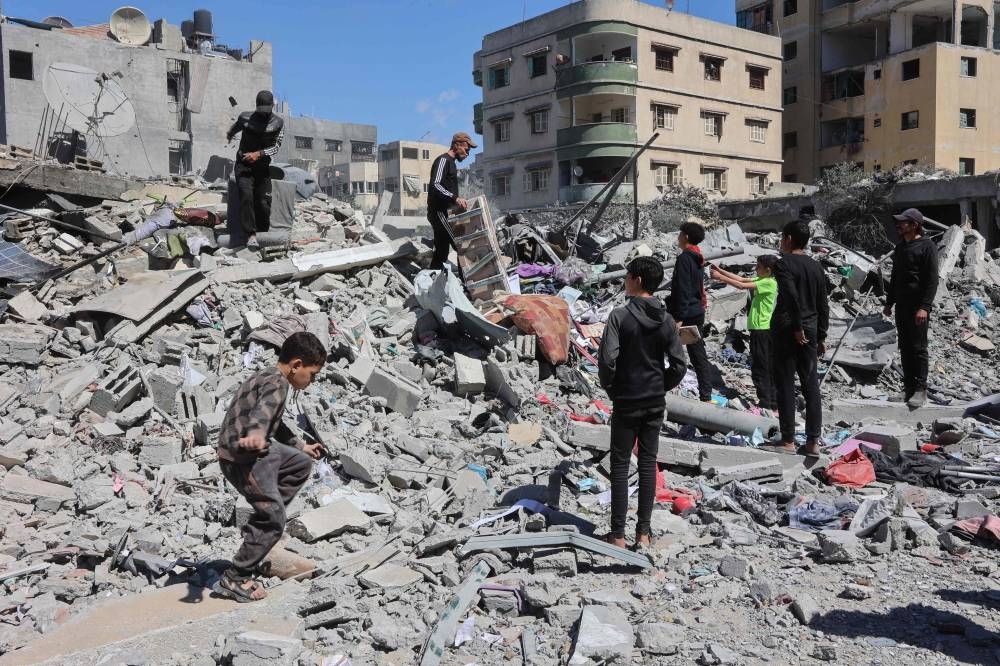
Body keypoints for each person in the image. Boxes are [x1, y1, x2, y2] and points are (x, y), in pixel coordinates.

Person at [214, 331, 327, 602]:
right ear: (296, 365)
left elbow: (274, 420)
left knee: (300, 463)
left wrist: (301, 446)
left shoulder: (269, 376)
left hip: (253, 448)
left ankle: (264, 524)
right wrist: (255, 433)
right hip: (241, 458)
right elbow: (263, 414)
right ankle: (236, 576)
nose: (310, 382)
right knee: (274, 518)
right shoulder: (278, 385)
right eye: (312, 375)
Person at [598, 256, 688, 548]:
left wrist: (613, 389)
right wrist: (660, 385)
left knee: (621, 466)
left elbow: (608, 359)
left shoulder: (620, 316)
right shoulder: (667, 321)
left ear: (637, 280)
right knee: (649, 463)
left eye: (627, 275)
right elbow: (678, 365)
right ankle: (644, 533)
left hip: (626, 400)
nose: (625, 280)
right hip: (653, 402)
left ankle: (617, 535)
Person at [770, 220, 829, 455]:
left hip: (788, 329)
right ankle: (813, 441)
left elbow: (791, 296)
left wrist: (796, 327)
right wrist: (822, 334)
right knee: (810, 383)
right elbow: (822, 303)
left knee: (785, 384)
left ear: (789, 239)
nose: (781, 241)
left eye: (783, 237)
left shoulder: (782, 265)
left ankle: (788, 441)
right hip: (812, 329)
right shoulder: (816, 267)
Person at [883, 208, 939, 409]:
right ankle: (907, 387)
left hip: (918, 307)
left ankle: (920, 389)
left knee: (918, 348)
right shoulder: (900, 248)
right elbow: (896, 277)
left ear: (914, 225)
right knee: (905, 347)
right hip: (902, 306)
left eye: (903, 222)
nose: (899, 225)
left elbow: (932, 280)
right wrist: (889, 302)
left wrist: (925, 307)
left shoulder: (927, 247)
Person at [710, 254, 779, 412]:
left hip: (763, 330)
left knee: (761, 367)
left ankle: (766, 403)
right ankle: (771, 401)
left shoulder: (769, 283)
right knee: (763, 365)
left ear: (768, 270)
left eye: (759, 267)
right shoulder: (763, 280)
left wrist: (720, 276)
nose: (756, 269)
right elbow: (741, 280)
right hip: (760, 330)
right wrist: (721, 271)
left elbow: (741, 286)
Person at [226, 90, 285, 250]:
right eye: (261, 111)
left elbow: (276, 147)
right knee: (246, 196)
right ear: (257, 107)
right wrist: (229, 135)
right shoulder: (245, 118)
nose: (264, 115)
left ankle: (263, 234)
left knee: (263, 202)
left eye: (267, 111)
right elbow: (234, 129)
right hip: (244, 165)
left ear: (272, 106)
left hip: (262, 168)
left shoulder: (278, 123)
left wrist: (258, 154)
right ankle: (250, 235)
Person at [668, 221, 714, 401]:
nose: (678, 237)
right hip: (696, 311)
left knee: (670, 348)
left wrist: (679, 317)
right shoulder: (698, 258)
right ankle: (706, 393)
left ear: (686, 236)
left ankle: (661, 384)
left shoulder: (685, 258)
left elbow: (683, 289)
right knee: (697, 352)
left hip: (685, 313)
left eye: (680, 234)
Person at [426, 132, 477, 270]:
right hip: (440, 212)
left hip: (446, 213)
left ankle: (431, 283)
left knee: (442, 251)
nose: (467, 153)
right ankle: (469, 285)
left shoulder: (452, 164)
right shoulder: (443, 160)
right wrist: (455, 198)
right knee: (459, 244)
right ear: (457, 145)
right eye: (466, 149)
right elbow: (435, 184)